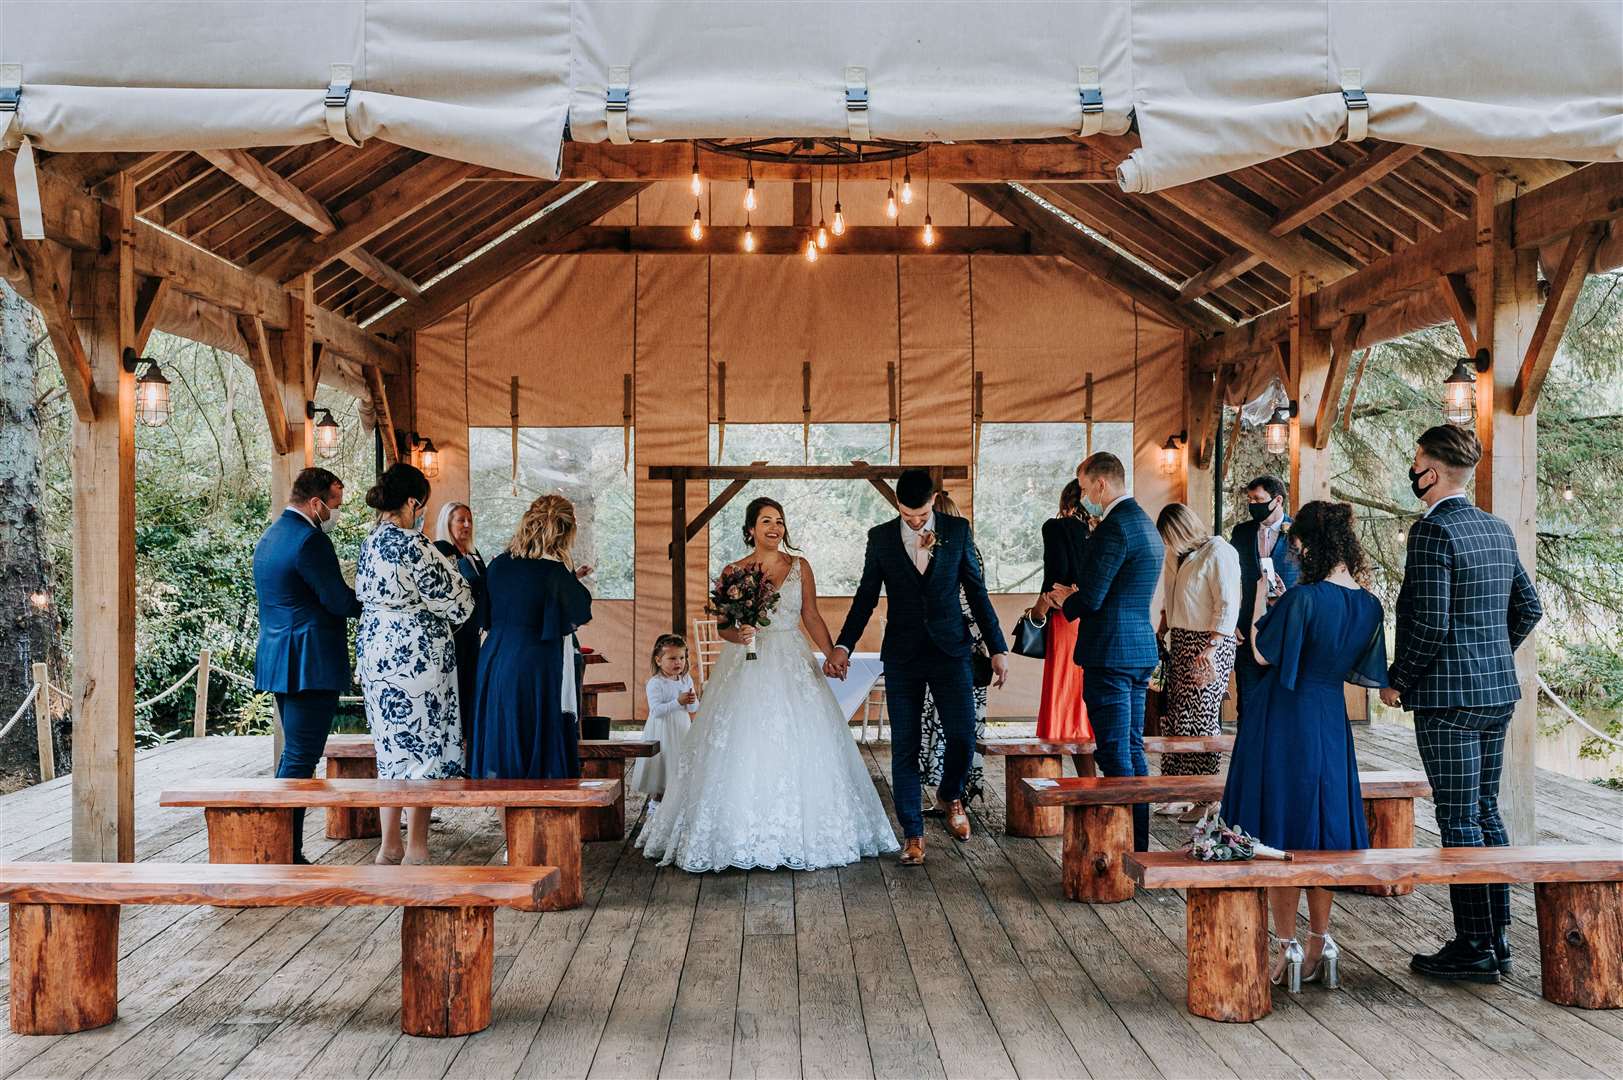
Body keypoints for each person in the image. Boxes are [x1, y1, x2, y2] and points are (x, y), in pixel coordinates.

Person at [640, 497, 898, 871]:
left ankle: (801, 831)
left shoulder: (800, 566)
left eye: (779, 521)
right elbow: (724, 627)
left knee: (804, 739)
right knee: (743, 738)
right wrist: (739, 632)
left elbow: (810, 614)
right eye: (765, 521)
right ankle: (738, 832)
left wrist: (831, 653)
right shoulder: (734, 571)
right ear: (750, 530)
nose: (774, 527)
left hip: (791, 656)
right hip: (746, 662)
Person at [1382, 425, 1542, 983]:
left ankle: (1474, 944)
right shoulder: (1496, 528)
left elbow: (1427, 622)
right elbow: (1530, 606)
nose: (1412, 468)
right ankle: (1497, 939)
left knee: (1458, 820)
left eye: (1416, 458)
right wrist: (1492, 654)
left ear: (1434, 469)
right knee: (1484, 811)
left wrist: (1399, 678)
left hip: (1447, 700)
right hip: (1496, 692)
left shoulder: (1432, 533)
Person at [1222, 500, 1386, 992]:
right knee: (1321, 829)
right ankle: (1321, 940)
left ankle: (1288, 944)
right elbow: (1363, 667)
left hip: (1283, 717)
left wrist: (1258, 597)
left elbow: (1259, 650)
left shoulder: (1303, 599)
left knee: (1280, 828)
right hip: (1330, 720)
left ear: (1310, 545)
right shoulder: (1370, 604)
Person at [831, 469, 1009, 865]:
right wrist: (844, 644)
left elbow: (977, 594)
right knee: (905, 747)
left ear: (933, 501)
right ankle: (913, 833)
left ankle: (950, 795)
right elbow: (865, 598)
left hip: (951, 652)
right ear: (897, 505)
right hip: (904, 655)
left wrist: (998, 648)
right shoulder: (879, 538)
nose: (914, 521)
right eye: (907, 514)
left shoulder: (958, 530)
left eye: (921, 513)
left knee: (963, 736)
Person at [355, 464, 475, 865]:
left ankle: (389, 845)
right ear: (411, 503)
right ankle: (417, 849)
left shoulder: (369, 543)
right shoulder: (414, 545)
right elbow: (458, 604)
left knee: (390, 748)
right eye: (422, 504)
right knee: (423, 747)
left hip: (376, 652)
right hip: (416, 657)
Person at [1044, 452, 1163, 853]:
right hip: (1138, 647)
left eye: (1083, 487)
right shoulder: (1145, 523)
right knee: (1131, 749)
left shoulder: (1114, 528)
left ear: (1100, 484)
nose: (1082, 496)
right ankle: (1139, 844)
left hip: (1110, 653)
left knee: (1114, 755)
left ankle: (1123, 849)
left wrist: (1064, 600)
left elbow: (1092, 597)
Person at [252, 467, 362, 864]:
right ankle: (286, 851)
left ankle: (283, 847)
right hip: (309, 661)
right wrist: (376, 602)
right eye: (334, 504)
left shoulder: (270, 536)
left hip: (280, 657)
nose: (335, 512)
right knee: (301, 756)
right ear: (315, 503)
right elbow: (337, 600)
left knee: (293, 755)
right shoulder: (310, 541)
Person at [471, 494, 595, 780]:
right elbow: (580, 608)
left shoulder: (499, 564)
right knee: (536, 738)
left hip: (494, 661)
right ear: (565, 532)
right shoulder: (555, 572)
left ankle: (506, 820)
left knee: (501, 743)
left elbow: (486, 615)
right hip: (535, 662)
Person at [1155, 502, 1241, 821]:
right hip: (1180, 638)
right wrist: (1163, 627)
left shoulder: (1218, 552)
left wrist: (1212, 644)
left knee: (1201, 718)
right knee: (1177, 716)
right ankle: (1178, 789)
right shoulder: (1176, 557)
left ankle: (1206, 796)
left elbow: (1228, 602)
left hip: (1209, 641)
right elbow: (1170, 598)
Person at [918, 491, 991, 811]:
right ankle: (955, 790)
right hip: (966, 644)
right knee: (960, 723)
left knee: (951, 723)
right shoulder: (969, 549)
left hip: (957, 647)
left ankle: (952, 792)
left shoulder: (957, 551)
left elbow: (966, 601)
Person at [1028, 480, 1092, 768]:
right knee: (1083, 691)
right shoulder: (1102, 530)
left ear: (1066, 504)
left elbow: (1055, 575)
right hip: (1094, 616)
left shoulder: (1056, 528)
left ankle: (1053, 773)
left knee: (1064, 689)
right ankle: (1087, 775)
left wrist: (1046, 600)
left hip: (1066, 616)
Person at [1230, 475, 1299, 724]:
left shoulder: (1299, 534)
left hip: (1286, 631)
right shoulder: (1241, 533)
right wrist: (1233, 622)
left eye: (1258, 499)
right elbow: (1231, 580)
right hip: (1247, 630)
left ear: (1277, 500)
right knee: (1248, 706)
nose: (1252, 504)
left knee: (1283, 708)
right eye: (1250, 499)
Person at [433, 501, 488, 769]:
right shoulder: (442, 551)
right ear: (447, 523)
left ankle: (467, 749)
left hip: (472, 633)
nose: (466, 525)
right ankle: (454, 751)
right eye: (460, 520)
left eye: (469, 520)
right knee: (458, 686)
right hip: (453, 634)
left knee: (470, 687)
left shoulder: (473, 554)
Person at [632, 633, 699, 805]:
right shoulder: (656, 683)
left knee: (678, 762)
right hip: (662, 730)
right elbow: (656, 711)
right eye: (672, 658)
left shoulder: (686, 679)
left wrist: (692, 701)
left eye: (682, 657)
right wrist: (678, 702)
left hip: (681, 728)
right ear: (658, 660)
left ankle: (676, 802)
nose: (678, 662)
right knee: (662, 766)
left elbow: (693, 708)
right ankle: (657, 802)